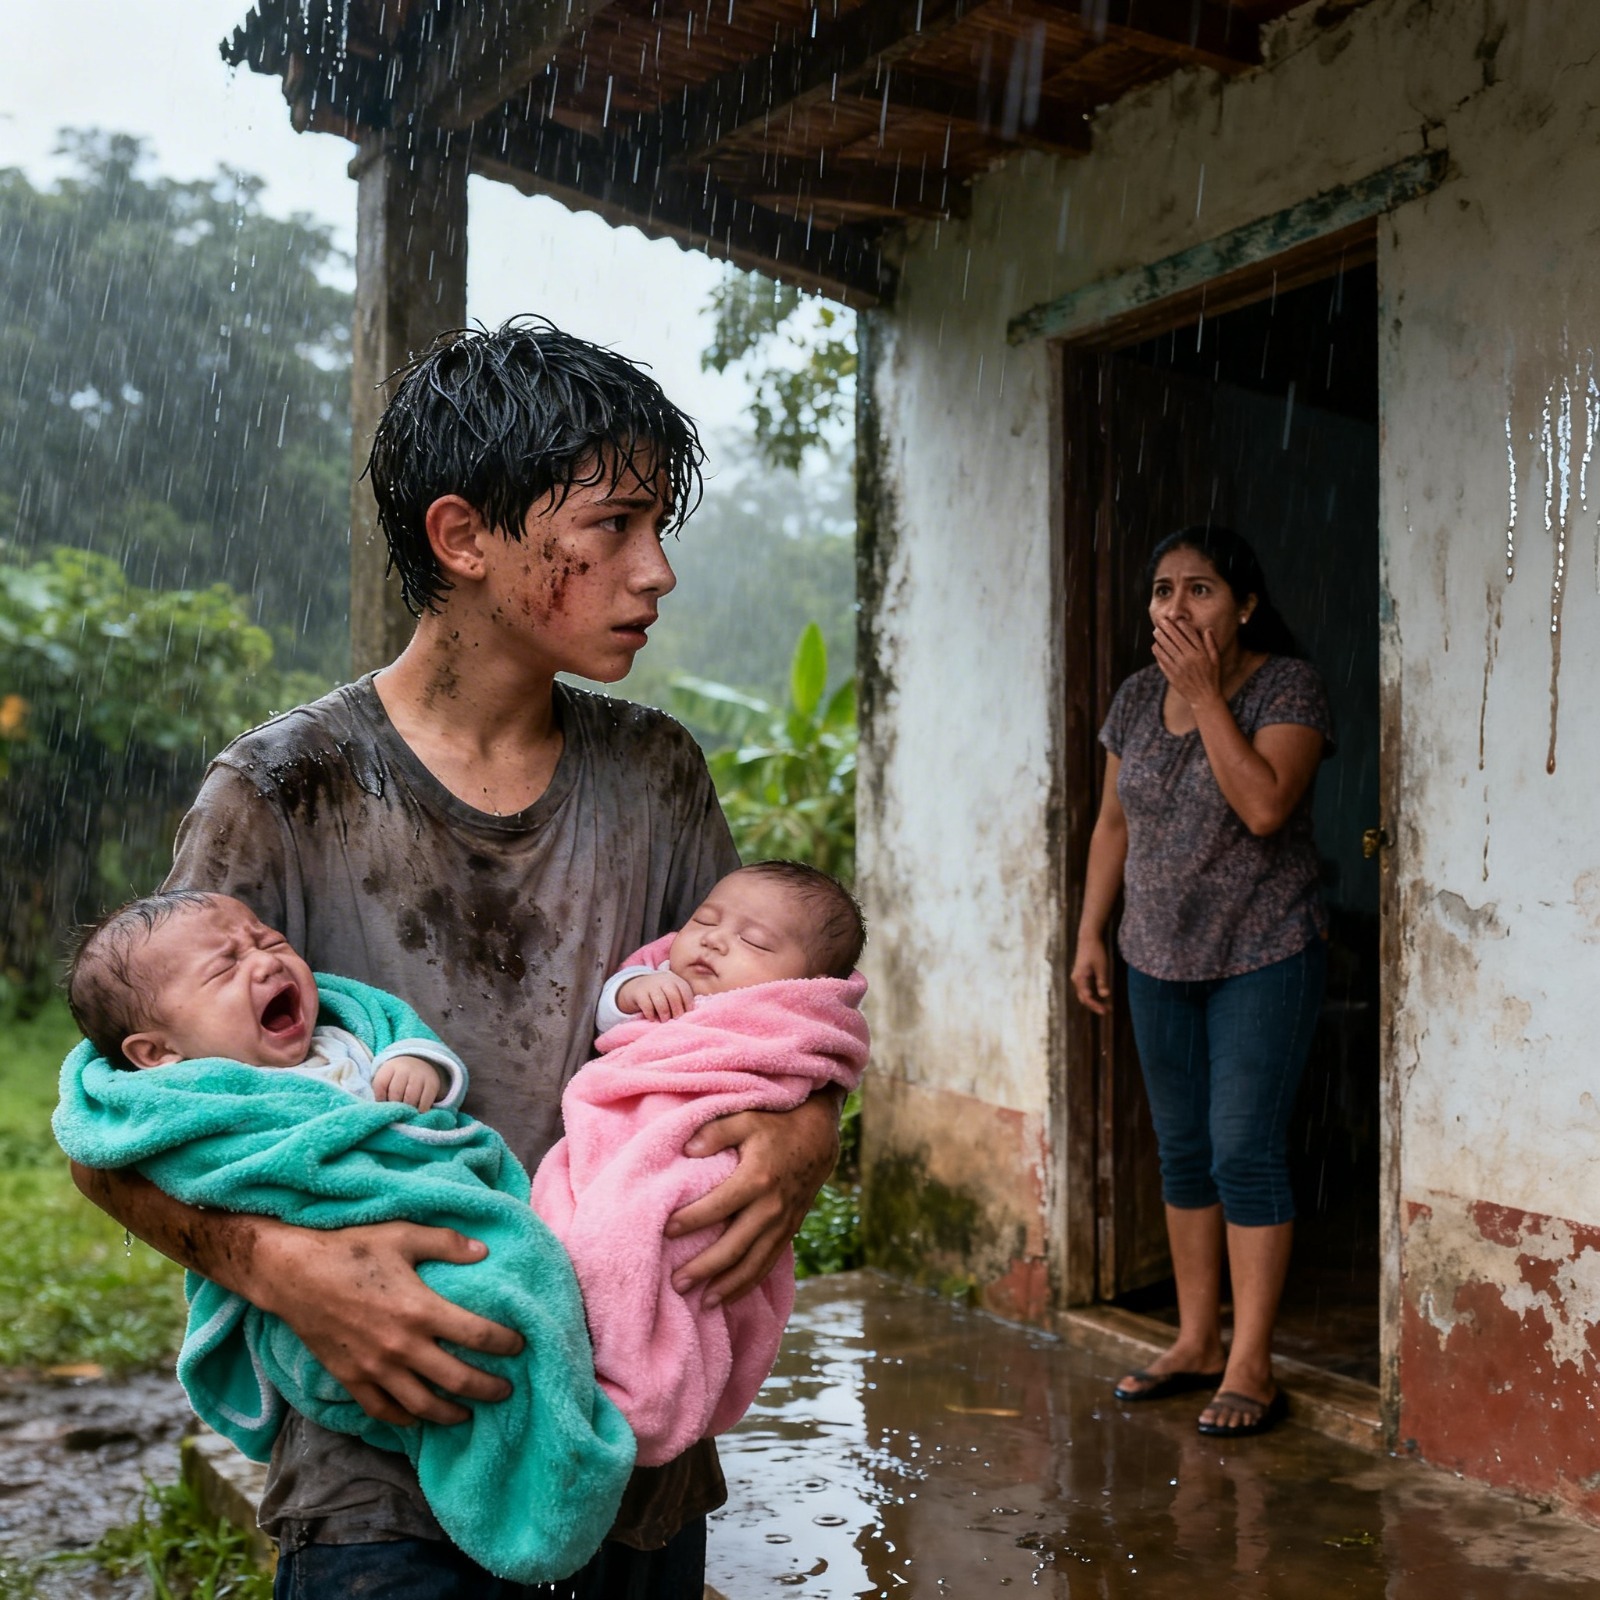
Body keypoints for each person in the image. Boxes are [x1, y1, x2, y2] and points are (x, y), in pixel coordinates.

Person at [67, 317, 845, 1598]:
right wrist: (282, 1269)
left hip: (633, 1467)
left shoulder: (656, 777)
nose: (655, 573)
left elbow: (775, 1016)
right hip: (383, 1479)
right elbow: (117, 1126)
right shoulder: (284, 790)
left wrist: (807, 1131)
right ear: (462, 535)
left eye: (661, 530)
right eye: (612, 527)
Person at [55, 889, 635, 1584]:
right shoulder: (201, 1100)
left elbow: (413, 1058)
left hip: (441, 1211)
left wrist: (422, 1067)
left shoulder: (347, 1032)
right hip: (332, 1277)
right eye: (224, 966)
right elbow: (178, 1167)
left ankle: (545, 1449)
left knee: (520, 1279)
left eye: (268, 940)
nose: (265, 960)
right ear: (155, 1052)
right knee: (483, 1320)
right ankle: (529, 1478)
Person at [1070, 525, 1331, 1440]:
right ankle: (1193, 1342)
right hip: (1154, 956)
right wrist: (1090, 933)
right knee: (1182, 1152)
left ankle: (1251, 1365)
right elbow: (1111, 824)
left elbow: (1264, 806)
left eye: (1201, 590)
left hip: (1265, 952)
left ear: (1245, 603)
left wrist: (1205, 695)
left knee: (1242, 1152)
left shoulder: (1285, 685)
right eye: (1163, 590)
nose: (1176, 608)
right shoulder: (1137, 699)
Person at [534, 861, 869, 1466]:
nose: (713, 938)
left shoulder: (793, 1021)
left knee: (668, 1255)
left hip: (708, 1151)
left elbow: (819, 1066)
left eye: (755, 941)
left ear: (804, 984)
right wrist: (633, 991)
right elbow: (614, 1010)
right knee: (590, 1229)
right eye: (704, 920)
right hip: (629, 1133)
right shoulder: (666, 980)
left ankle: (640, 1387)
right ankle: (602, 1364)